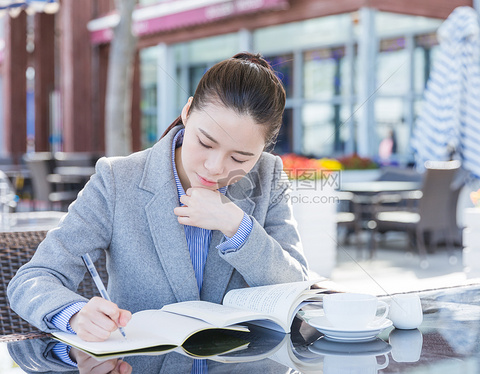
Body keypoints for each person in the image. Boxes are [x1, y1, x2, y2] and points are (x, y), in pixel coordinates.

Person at [8, 52, 309, 357]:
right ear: (188, 112)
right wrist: (73, 314)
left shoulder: (267, 176)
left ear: (263, 149)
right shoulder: (117, 179)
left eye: (240, 158)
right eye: (205, 143)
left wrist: (236, 225)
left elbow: (295, 287)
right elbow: (32, 279)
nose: (215, 167)